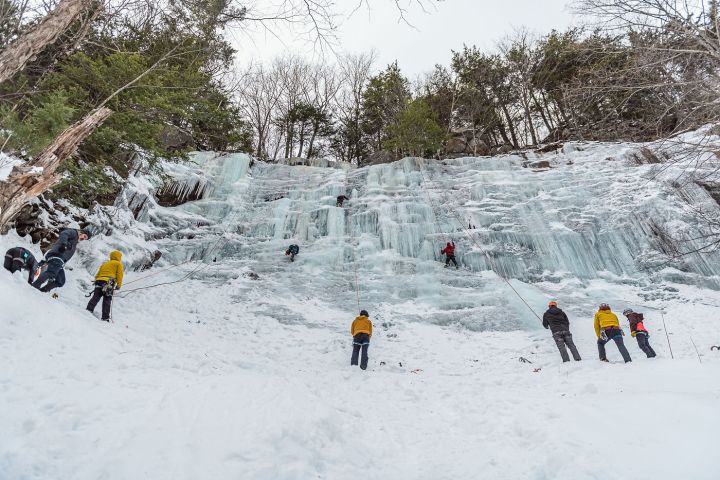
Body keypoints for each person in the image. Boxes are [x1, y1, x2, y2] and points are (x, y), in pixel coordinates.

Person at [32, 228, 91, 292]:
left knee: (60, 281)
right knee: (51, 273)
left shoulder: (75, 241)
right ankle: (35, 286)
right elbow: (64, 233)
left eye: (86, 239)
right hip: (57, 255)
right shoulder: (74, 233)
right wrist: (63, 245)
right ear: (81, 232)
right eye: (84, 236)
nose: (83, 239)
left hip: (61, 260)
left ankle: (43, 290)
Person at [86, 250, 124, 322]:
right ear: (118, 257)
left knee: (96, 297)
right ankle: (105, 318)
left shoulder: (105, 264)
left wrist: (97, 281)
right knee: (107, 299)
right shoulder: (118, 264)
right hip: (109, 282)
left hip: (99, 281)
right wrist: (118, 285)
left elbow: (98, 274)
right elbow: (120, 275)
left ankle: (89, 309)